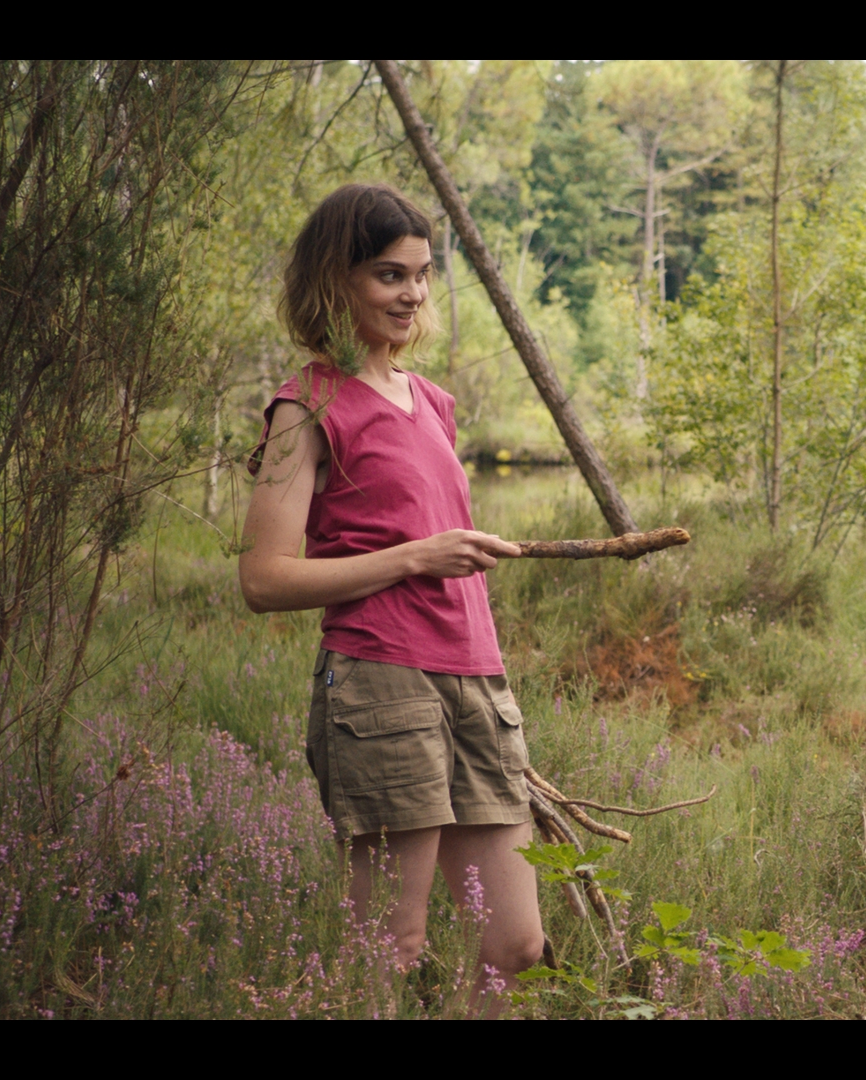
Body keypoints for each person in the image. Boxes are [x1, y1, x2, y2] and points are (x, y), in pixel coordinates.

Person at [239, 183, 540, 1009]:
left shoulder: (432, 401)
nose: (412, 293)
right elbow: (263, 578)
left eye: (422, 274)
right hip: (380, 686)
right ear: (335, 280)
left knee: (515, 945)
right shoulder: (306, 406)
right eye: (388, 275)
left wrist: (448, 556)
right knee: (389, 946)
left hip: (476, 681)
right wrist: (416, 558)